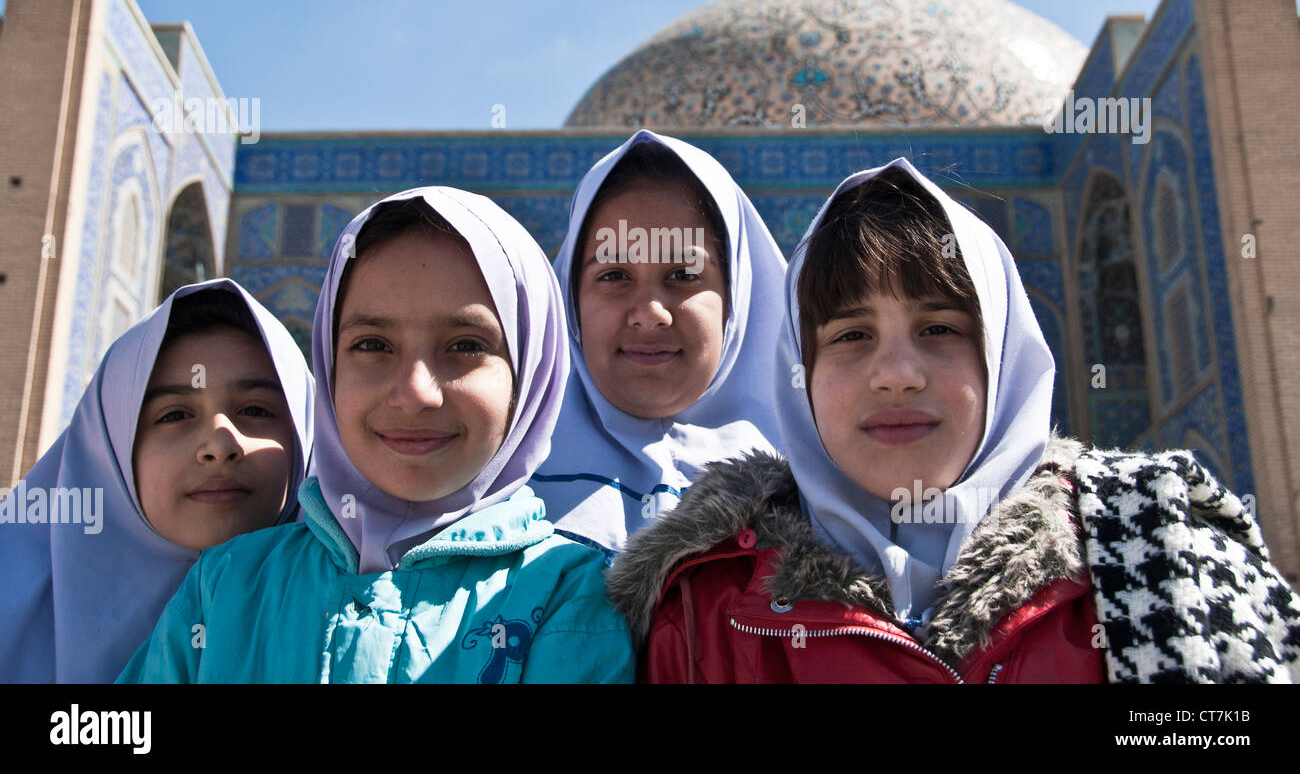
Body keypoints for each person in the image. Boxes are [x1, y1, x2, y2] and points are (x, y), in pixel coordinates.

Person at [606, 158, 1300, 683]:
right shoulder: (707, 611)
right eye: (850, 336)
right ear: (798, 373)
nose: (896, 372)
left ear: (1003, 355)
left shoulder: (1156, 548)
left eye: (939, 327)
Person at [118, 188, 634, 683]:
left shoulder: (568, 596)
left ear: (531, 372)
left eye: (465, 345)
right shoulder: (228, 585)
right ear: (328, 359)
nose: (414, 393)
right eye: (372, 344)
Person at [0, 279, 314, 683]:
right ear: (110, 447)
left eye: (255, 409)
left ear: (304, 434)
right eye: (175, 415)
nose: (219, 444)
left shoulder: (369, 620)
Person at [534, 129, 786, 561]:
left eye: (684, 275)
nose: (650, 312)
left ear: (737, 297)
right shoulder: (489, 499)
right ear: (570, 300)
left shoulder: (827, 499)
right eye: (613, 275)